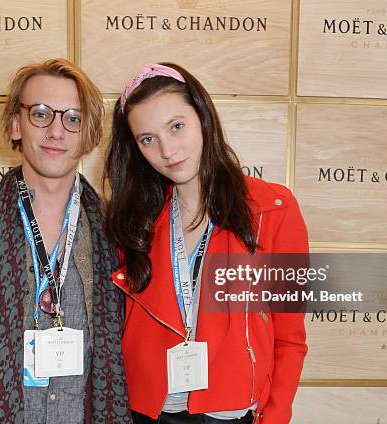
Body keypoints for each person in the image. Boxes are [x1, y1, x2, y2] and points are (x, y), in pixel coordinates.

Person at [0, 58, 132, 424]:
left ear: (89, 133)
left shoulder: (117, 228)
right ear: (16, 124)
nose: (56, 131)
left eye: (73, 118)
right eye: (41, 113)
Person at [104, 63, 308, 424]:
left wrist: (275, 417)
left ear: (203, 117)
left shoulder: (273, 209)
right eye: (147, 139)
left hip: (230, 412)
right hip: (146, 412)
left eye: (177, 127)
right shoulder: (134, 220)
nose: (167, 150)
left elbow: (289, 339)